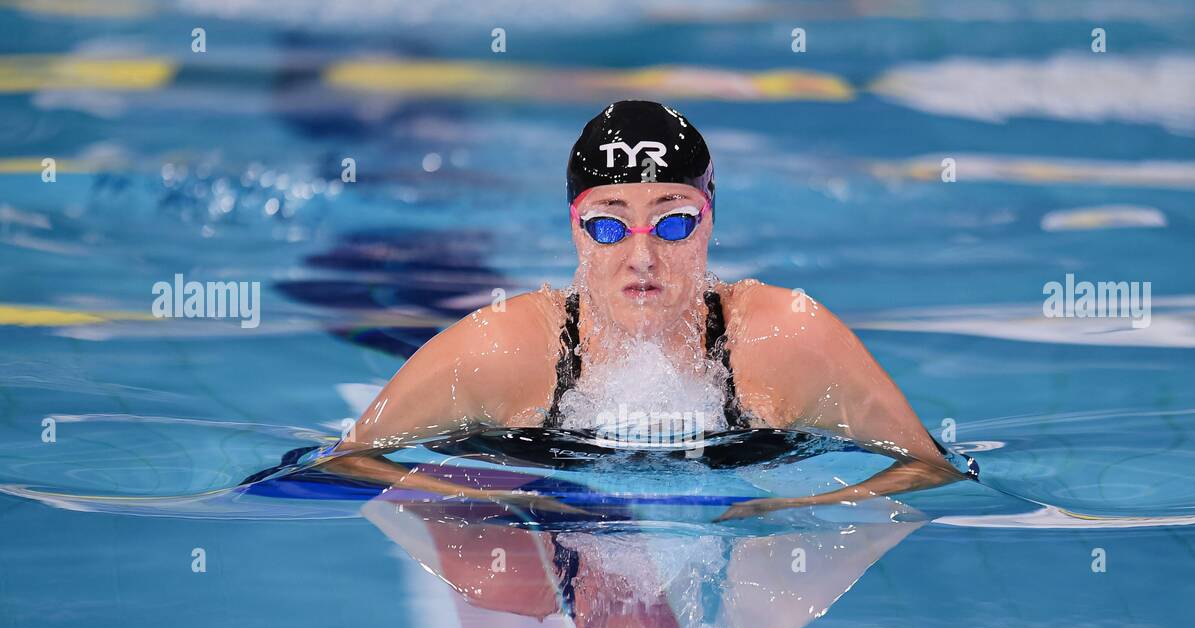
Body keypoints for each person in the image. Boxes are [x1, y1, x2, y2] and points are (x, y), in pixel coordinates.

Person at [317, 100, 977, 517]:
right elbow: (347, 461)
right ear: (575, 230)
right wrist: (500, 501)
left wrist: (798, 510)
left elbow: (929, 466)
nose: (642, 258)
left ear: (710, 223)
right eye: (610, 225)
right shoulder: (506, 351)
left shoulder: (785, 339)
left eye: (672, 223)